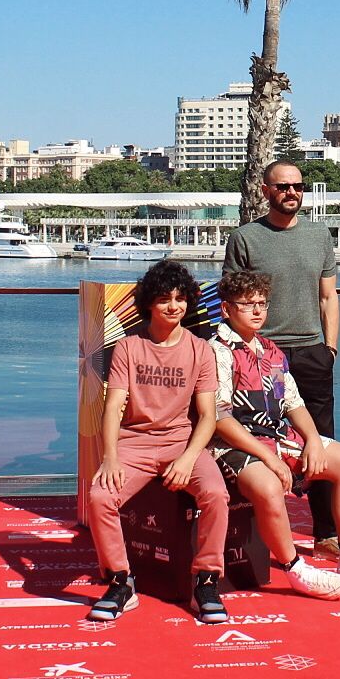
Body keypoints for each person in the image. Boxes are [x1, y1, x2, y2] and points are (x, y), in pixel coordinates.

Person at [208, 270, 340, 597]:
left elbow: (293, 403)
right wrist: (269, 457)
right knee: (269, 486)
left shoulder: (271, 351)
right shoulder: (217, 351)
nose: (257, 311)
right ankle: (295, 568)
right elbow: (219, 418)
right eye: (247, 305)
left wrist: (311, 439)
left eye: (262, 303)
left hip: (277, 438)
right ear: (226, 309)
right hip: (233, 446)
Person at [83, 259, 231, 625]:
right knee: (100, 496)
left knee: (217, 494)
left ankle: (207, 579)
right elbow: (114, 404)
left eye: (181, 298)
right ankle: (121, 580)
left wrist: (187, 459)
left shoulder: (201, 350)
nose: (173, 306)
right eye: (164, 298)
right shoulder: (128, 348)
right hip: (134, 443)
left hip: (183, 443)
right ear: (149, 302)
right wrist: (111, 457)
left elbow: (208, 416)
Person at [223, 161, 340, 557]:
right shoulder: (245, 238)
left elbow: (329, 297)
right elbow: (232, 296)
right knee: (255, 441)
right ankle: (256, 535)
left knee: (319, 442)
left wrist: (330, 349)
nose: (292, 193)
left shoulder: (319, 235)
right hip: (259, 356)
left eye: (298, 186)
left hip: (311, 352)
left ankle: (325, 531)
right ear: (265, 190)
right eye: (283, 187)